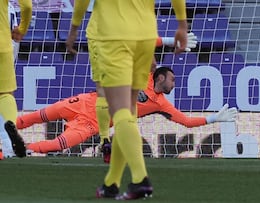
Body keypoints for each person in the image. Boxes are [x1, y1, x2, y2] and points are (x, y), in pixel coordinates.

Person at [67, 0, 188, 200]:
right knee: (129, 112)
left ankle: (141, 179)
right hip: (146, 36)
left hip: (114, 37)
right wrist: (182, 25)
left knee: (120, 112)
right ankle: (111, 183)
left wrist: (74, 28)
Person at [16, 67, 237, 154]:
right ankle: (6, 135)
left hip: (94, 124)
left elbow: (186, 122)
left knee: (59, 144)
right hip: (86, 102)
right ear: (160, 77)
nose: (174, 84)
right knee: (36, 116)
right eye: (172, 79)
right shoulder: (141, 76)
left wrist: (213, 118)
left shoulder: (161, 103)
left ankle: (18, 150)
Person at [0, 0, 32, 158]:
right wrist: (22, 29)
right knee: (5, 94)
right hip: (4, 46)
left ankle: (7, 143)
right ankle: (8, 144)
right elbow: (27, 6)